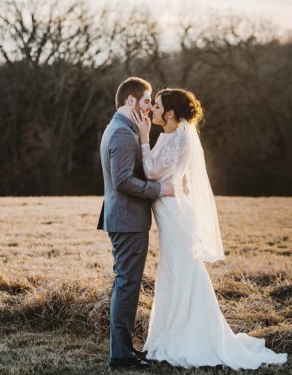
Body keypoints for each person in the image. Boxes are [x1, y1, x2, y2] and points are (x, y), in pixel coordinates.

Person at [130, 88, 288, 369]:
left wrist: (143, 137)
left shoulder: (179, 137)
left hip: (177, 217)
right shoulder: (167, 134)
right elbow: (154, 169)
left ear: (170, 113)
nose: (152, 109)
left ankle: (191, 338)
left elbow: (152, 172)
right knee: (173, 272)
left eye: (157, 106)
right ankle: (171, 334)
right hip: (168, 213)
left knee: (183, 272)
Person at [97, 77, 174, 370]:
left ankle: (124, 349)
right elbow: (123, 182)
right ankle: (121, 355)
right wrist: (160, 190)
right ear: (131, 101)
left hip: (125, 219)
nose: (148, 107)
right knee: (127, 285)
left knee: (126, 283)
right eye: (146, 101)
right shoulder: (121, 133)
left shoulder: (123, 128)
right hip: (127, 220)